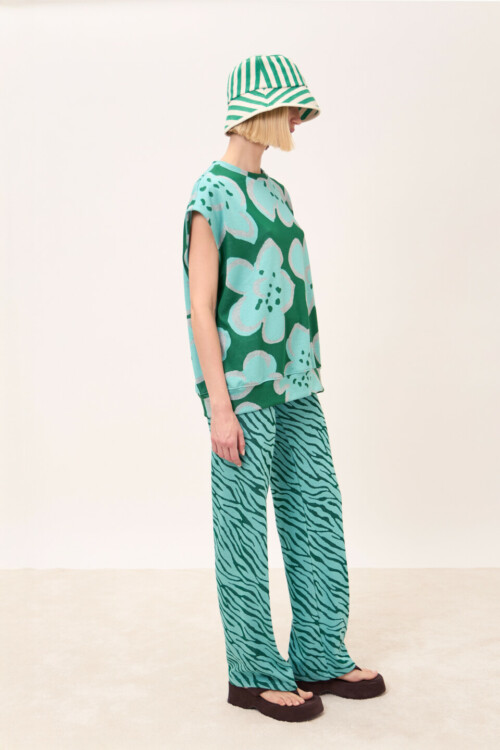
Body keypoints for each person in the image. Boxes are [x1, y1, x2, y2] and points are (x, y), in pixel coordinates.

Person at [181, 53, 386, 722]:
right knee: (242, 531)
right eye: (292, 108)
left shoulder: (276, 192)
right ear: (260, 111)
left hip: (297, 382)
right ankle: (253, 672)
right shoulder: (210, 195)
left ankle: (320, 652)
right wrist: (219, 407)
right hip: (242, 392)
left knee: (317, 514)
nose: (298, 119)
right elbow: (200, 308)